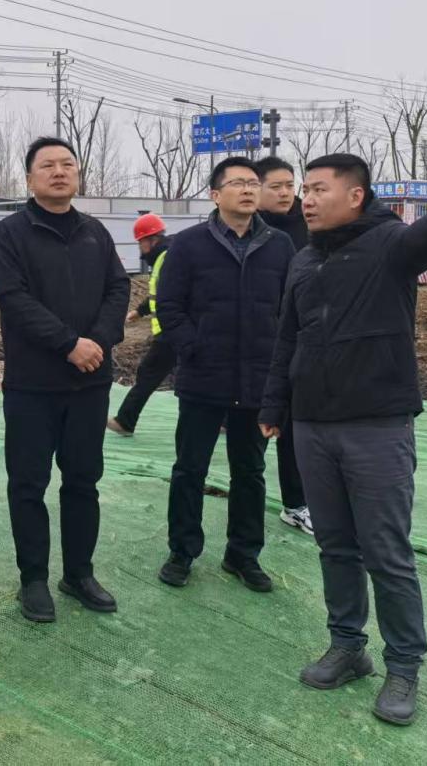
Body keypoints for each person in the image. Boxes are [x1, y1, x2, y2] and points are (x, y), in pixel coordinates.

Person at [259, 154, 427, 727]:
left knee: (386, 553)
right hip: (313, 425)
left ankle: (404, 666)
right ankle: (348, 646)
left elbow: (423, 240)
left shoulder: (389, 243)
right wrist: (274, 404)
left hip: (377, 426)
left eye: (318, 189)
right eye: (304, 189)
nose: (305, 199)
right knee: (335, 545)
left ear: (356, 196)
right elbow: (287, 337)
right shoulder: (304, 260)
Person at [0, 137, 130, 623]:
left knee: (83, 481)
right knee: (28, 483)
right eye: (47, 165)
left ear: (77, 174)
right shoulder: (12, 232)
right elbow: (13, 298)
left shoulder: (95, 232)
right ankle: (33, 578)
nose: (58, 171)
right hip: (32, 384)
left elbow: (118, 288)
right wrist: (69, 343)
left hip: (90, 383)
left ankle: (78, 573)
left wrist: (98, 341)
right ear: (30, 178)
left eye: (67, 163)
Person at [154, 156, 295, 594]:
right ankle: (182, 550)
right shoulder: (188, 245)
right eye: (237, 183)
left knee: (250, 471)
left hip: (258, 379)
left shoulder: (280, 246)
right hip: (203, 377)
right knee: (190, 468)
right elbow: (168, 305)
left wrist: (278, 362)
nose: (248, 189)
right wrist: (193, 347)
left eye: (253, 183)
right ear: (216, 195)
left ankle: (243, 554)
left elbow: (290, 311)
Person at [253, 155, 312, 535]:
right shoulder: (248, 229)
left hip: (301, 343)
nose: (285, 193)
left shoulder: (310, 225)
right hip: (259, 348)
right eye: (275, 187)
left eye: (290, 185)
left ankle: (297, 504)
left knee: (295, 431)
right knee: (255, 435)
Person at [107, 213, 175, 437]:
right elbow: (158, 294)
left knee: (148, 373)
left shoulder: (167, 259)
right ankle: (226, 420)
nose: (140, 249)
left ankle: (125, 421)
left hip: (170, 332)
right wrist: (139, 311)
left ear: (151, 240)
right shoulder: (166, 256)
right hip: (174, 330)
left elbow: (168, 296)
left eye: (140, 242)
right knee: (199, 375)